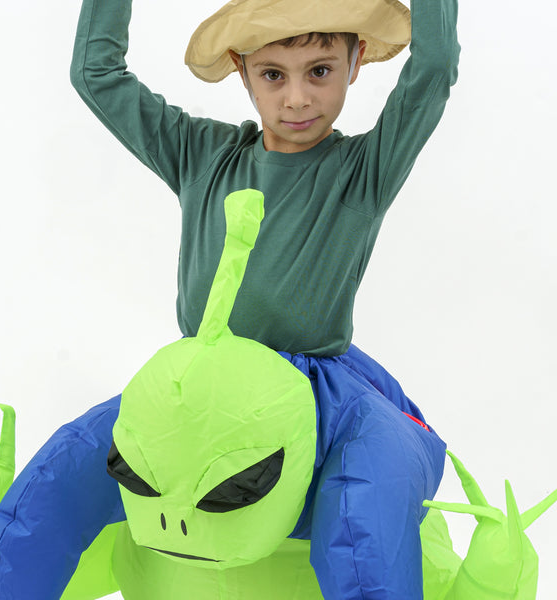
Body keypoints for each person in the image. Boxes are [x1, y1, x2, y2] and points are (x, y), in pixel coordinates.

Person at [62, 0, 460, 597]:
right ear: (241, 69)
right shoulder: (203, 156)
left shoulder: (363, 171)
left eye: (319, 71)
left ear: (355, 63)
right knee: (76, 465)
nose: (297, 99)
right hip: (204, 384)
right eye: (273, 74)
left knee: (365, 518)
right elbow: (95, 75)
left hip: (312, 392)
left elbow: (433, 69)